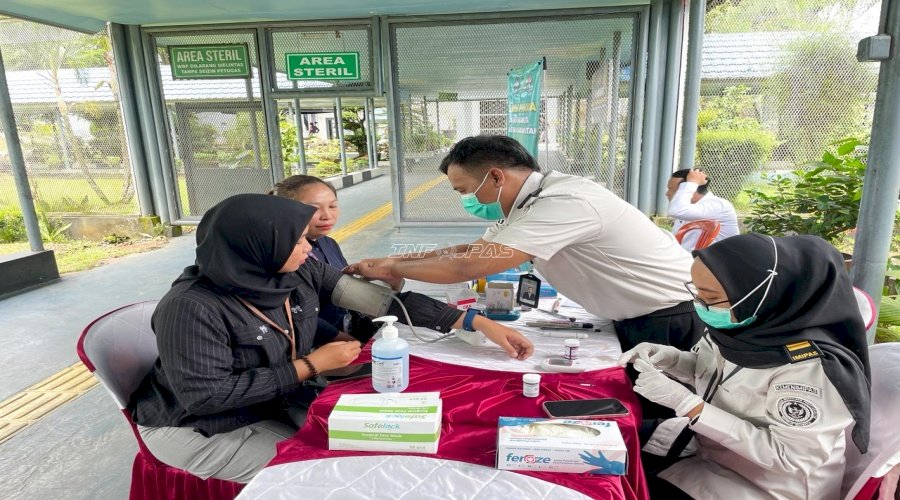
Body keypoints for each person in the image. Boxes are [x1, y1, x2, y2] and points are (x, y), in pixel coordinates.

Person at [128, 194, 533, 483]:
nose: (309, 247)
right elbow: (206, 397)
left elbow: (384, 302)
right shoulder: (191, 307)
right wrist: (311, 365)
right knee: (326, 477)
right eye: (297, 240)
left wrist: (473, 321)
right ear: (257, 247)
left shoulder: (298, 271)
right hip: (202, 427)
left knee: (385, 447)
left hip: (277, 398)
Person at [348, 135, 701, 352]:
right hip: (638, 312)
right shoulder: (527, 203)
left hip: (667, 315)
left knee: (658, 412)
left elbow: (468, 266)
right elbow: (471, 251)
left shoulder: (564, 203)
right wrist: (392, 262)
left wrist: (396, 268)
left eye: (465, 190)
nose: (467, 199)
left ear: (495, 176)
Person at [618, 233, 871, 499]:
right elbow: (715, 373)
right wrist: (670, 359)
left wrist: (688, 404)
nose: (700, 304)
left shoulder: (810, 368)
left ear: (762, 295)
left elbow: (791, 459)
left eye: (711, 297)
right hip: (715, 456)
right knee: (615, 442)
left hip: (768, 487)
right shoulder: (741, 327)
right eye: (697, 290)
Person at [271, 175, 393, 344]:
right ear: (286, 211)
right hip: (318, 345)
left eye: (333, 206)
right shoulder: (282, 255)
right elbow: (298, 316)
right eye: (314, 209)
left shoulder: (328, 243)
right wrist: (351, 344)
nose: (327, 215)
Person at [665, 168, 739, 251]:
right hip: (693, 256)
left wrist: (692, 182)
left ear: (691, 189)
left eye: (670, 189)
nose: (667, 193)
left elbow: (676, 211)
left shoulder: (718, 205)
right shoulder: (688, 207)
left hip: (719, 258)